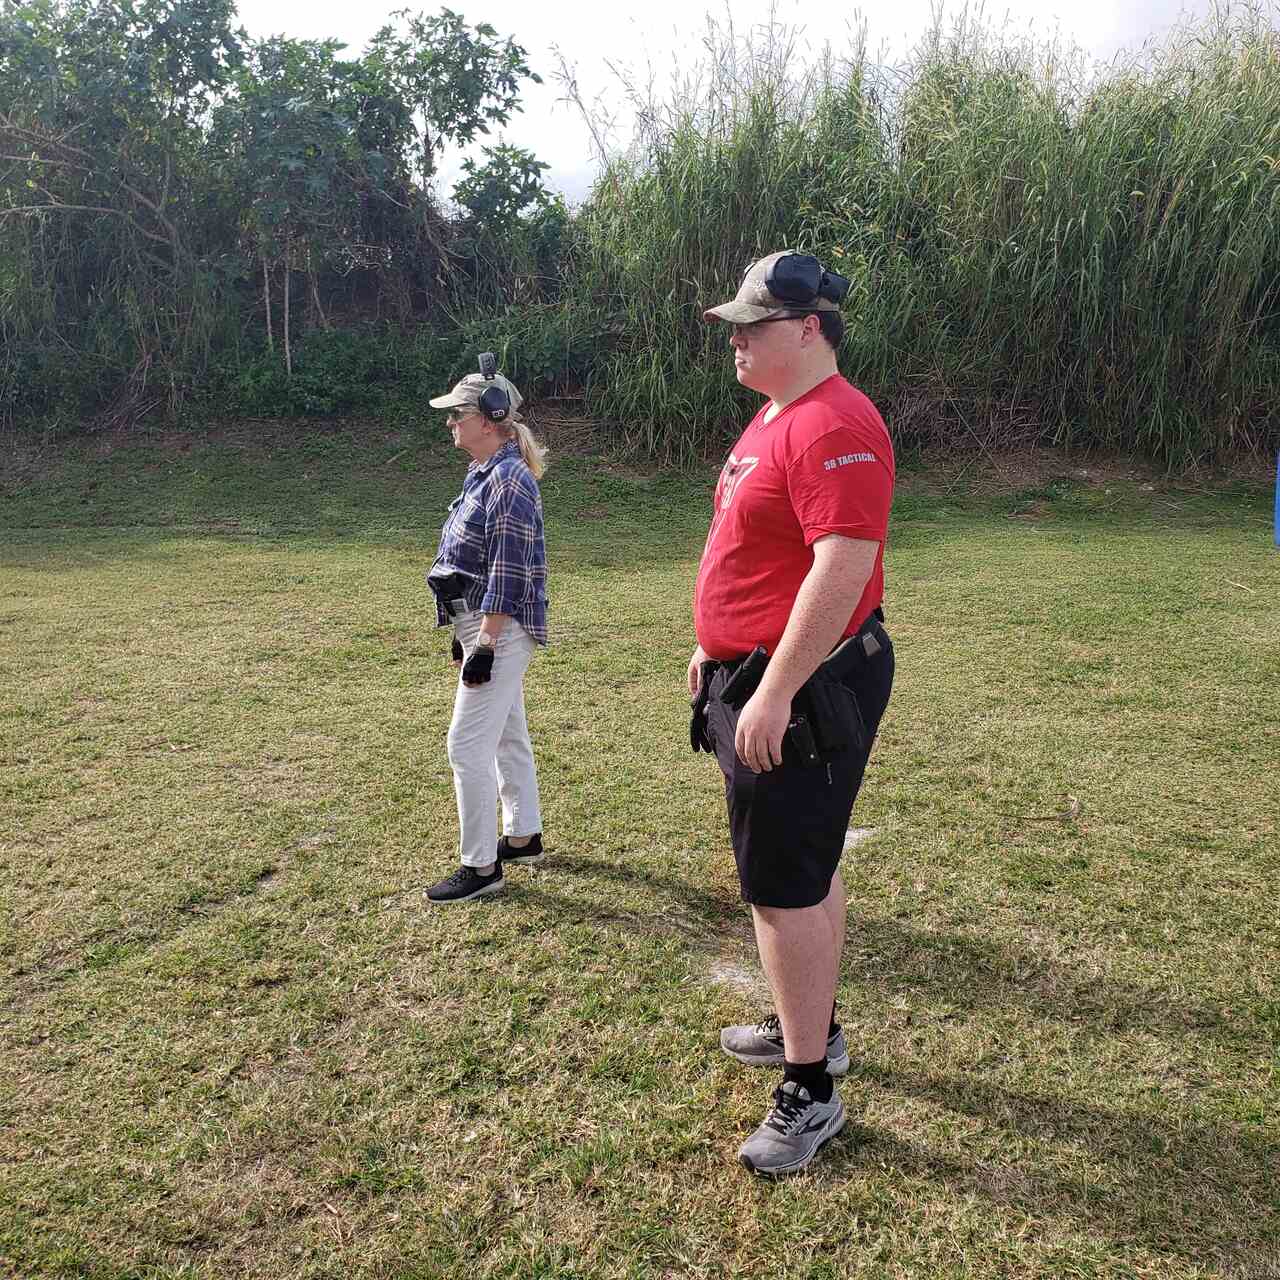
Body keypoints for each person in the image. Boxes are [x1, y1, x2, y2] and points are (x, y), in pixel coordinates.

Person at [688, 251, 895, 1174]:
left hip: (805, 686)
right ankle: (812, 1027)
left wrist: (770, 690)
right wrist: (715, 645)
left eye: (752, 324)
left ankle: (810, 1088)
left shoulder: (835, 423)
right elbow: (756, 547)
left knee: (781, 883)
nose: (735, 338)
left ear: (810, 327)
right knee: (802, 869)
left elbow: (843, 563)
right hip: (763, 673)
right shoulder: (776, 415)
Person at [423, 359, 549, 904]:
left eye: (459, 414)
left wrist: (486, 644)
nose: (451, 423)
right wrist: (461, 629)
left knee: (465, 746)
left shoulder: (511, 480)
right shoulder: (485, 472)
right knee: (504, 732)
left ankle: (480, 868)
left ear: (491, 419)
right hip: (480, 620)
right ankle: (522, 835)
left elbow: (509, 570)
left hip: (500, 625)